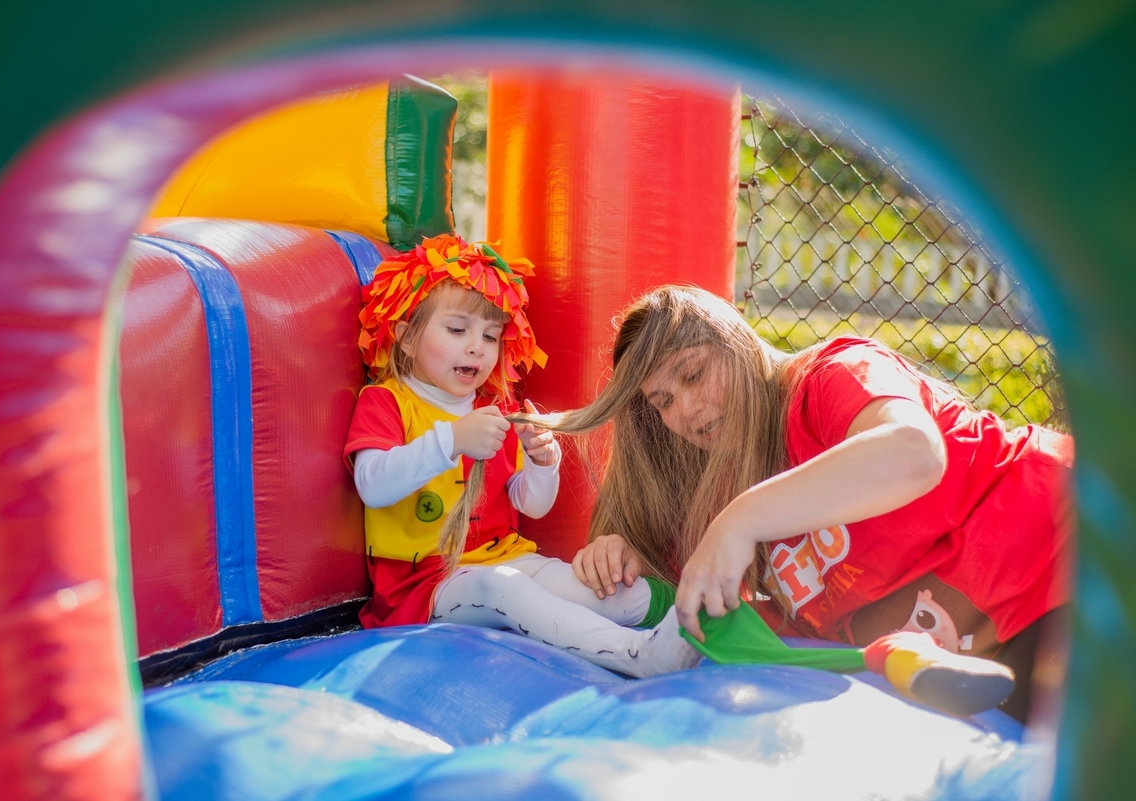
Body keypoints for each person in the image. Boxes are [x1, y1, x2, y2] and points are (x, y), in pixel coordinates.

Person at [527, 285, 1071, 721]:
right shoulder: (723, 483)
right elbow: (677, 603)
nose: (686, 409)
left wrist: (739, 523)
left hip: (1062, 557)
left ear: (734, 341)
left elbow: (914, 453)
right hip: (978, 656)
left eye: (694, 374)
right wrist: (625, 555)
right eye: (663, 401)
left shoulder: (829, 377)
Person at [343, 235, 698, 678]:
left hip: (510, 558)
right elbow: (373, 486)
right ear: (407, 337)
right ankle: (636, 654)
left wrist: (541, 463)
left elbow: (531, 505)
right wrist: (451, 440)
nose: (477, 347)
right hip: (425, 586)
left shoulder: (495, 412)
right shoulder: (387, 401)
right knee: (502, 589)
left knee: (599, 590)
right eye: (457, 330)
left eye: (490, 336)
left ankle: (686, 614)